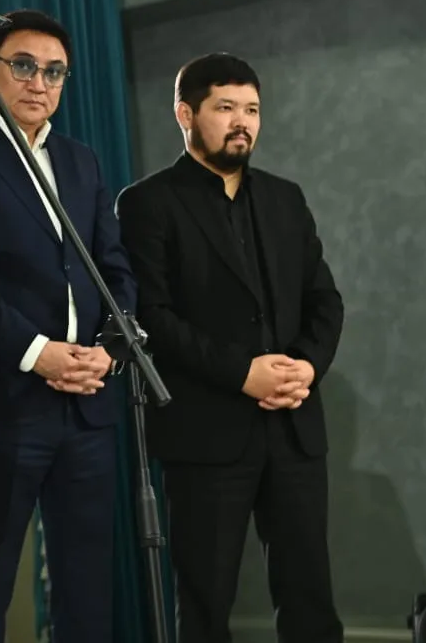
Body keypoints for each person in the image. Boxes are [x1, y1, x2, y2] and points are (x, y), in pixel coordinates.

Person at [0, 9, 137, 643]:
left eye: (54, 72)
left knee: (87, 587)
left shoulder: (80, 160)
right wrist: (37, 352)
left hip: (87, 404)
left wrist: (110, 352)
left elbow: (115, 268)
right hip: (1, 402)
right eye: (22, 66)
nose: (38, 83)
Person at [114, 53, 345, 643]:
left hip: (294, 426)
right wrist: (243, 373)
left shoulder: (286, 199)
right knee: (205, 604)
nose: (242, 121)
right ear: (185, 114)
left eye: (252, 109)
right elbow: (152, 318)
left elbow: (325, 300)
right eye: (225, 108)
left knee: (311, 598)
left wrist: (307, 367)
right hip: (206, 432)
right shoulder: (147, 203)